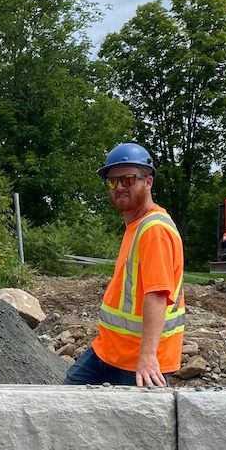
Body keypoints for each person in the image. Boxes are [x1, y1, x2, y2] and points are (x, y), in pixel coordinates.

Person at [64, 142, 185, 388]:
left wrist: (148, 357)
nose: (119, 187)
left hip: (138, 362)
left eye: (128, 179)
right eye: (112, 181)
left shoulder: (154, 230)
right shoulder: (136, 225)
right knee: (67, 398)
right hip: (109, 351)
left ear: (148, 182)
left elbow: (157, 294)